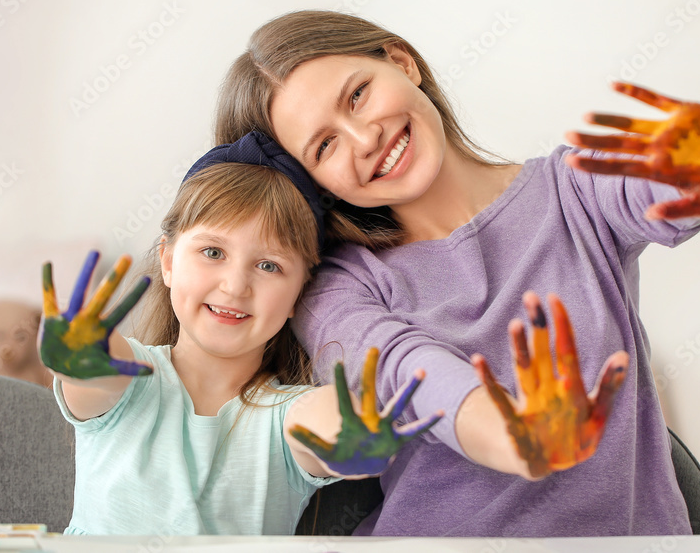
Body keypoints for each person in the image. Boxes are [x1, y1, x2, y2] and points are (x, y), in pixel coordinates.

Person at [212, 10, 700, 537]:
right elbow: (404, 373)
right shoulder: (337, 288)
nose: (364, 138)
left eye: (358, 95)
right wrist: (509, 435)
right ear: (314, 184)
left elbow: (664, 191)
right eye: (324, 145)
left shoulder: (574, 191)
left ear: (402, 63)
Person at [38, 131, 441, 536]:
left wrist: (348, 438)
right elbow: (97, 375)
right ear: (168, 261)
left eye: (269, 266)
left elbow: (321, 423)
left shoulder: (284, 416)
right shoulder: (128, 376)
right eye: (213, 253)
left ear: (299, 294)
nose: (235, 286)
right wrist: (76, 360)